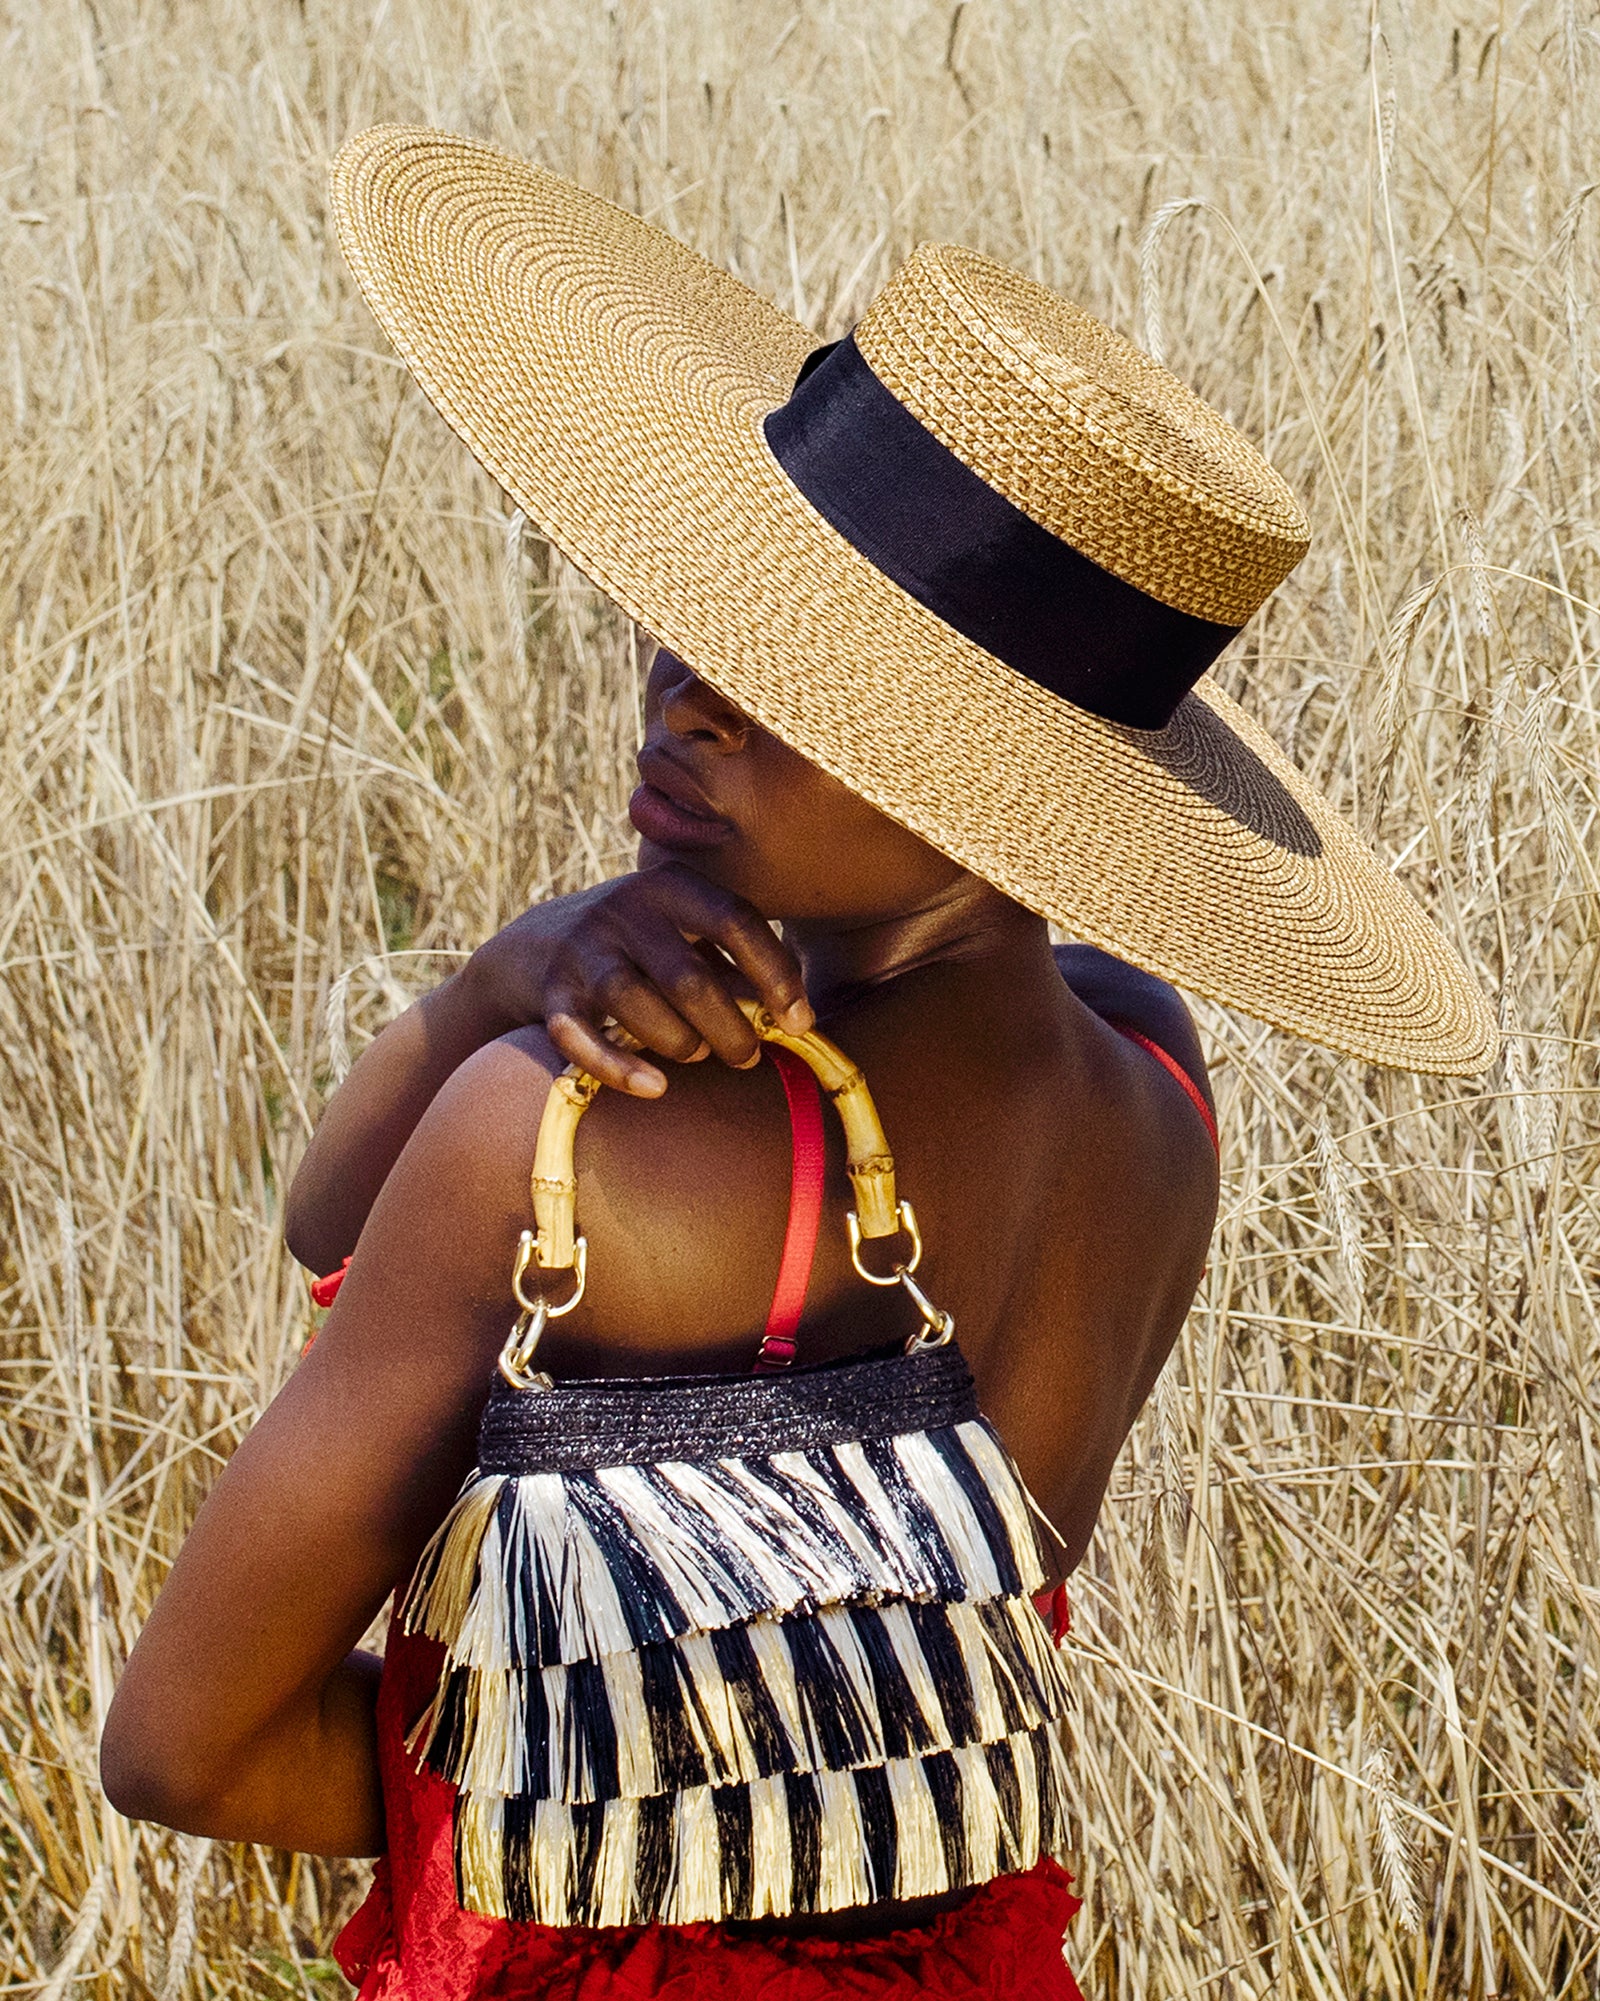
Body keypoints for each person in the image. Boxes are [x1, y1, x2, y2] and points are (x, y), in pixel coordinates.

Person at [101, 128, 1496, 2000]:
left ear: (1010, 791)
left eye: (810, 680)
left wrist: (553, 1807)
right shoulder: (1154, 1090)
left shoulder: (579, 1136)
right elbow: (332, 1217)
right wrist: (527, 958)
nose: (688, 690)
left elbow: (184, 1747)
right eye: (715, 605)